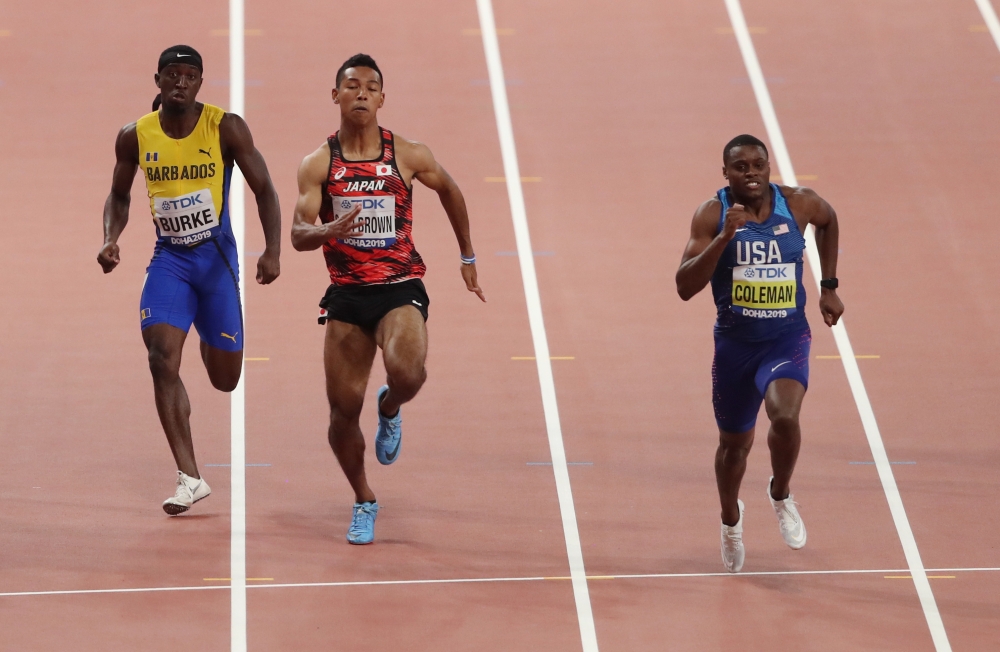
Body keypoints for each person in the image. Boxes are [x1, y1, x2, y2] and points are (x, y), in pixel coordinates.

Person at [291, 53, 484, 545]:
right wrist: (325, 230)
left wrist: (467, 256)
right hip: (348, 297)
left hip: (399, 287)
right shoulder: (319, 162)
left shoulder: (408, 153)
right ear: (335, 95)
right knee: (341, 414)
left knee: (408, 373)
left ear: (381, 98)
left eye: (371, 87)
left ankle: (392, 406)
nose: (361, 92)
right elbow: (296, 232)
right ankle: (363, 499)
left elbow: (451, 190)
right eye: (351, 85)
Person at [97, 45, 281, 515]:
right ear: (157, 80)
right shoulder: (134, 135)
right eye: (172, 75)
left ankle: (204, 329)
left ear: (200, 83)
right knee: (161, 358)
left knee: (225, 380)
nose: (181, 82)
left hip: (216, 262)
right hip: (170, 261)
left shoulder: (225, 127)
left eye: (190, 76)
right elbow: (119, 195)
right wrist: (110, 238)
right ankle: (189, 477)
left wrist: (272, 251)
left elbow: (265, 189)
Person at [676, 134, 844, 572]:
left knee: (785, 416)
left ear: (768, 166)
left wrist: (828, 287)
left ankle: (781, 493)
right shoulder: (712, 214)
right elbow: (684, 287)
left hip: (786, 338)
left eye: (758, 165)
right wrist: (724, 238)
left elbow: (829, 220)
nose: (751, 174)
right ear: (726, 174)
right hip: (735, 346)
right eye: (740, 168)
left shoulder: (799, 203)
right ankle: (731, 519)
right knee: (734, 447)